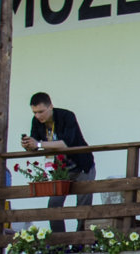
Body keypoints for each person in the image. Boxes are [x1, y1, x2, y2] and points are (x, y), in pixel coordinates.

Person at [20, 92, 95, 233]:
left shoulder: (67, 116)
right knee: (53, 206)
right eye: (35, 112)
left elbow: (65, 144)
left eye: (41, 112)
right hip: (61, 169)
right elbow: (37, 145)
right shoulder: (36, 121)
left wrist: (37, 144)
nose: (38, 116)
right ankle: (60, 242)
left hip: (82, 166)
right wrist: (28, 145)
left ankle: (81, 243)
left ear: (51, 107)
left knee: (83, 208)